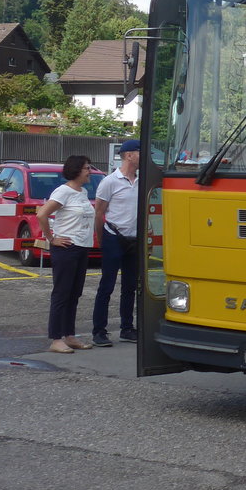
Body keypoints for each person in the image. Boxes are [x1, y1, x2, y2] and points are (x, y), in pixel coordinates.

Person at [36, 155, 97, 354]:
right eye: (87, 168)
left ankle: (69, 335)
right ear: (76, 170)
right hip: (66, 248)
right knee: (61, 294)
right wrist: (51, 238)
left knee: (74, 294)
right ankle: (56, 338)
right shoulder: (63, 191)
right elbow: (42, 214)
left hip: (82, 247)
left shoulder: (83, 191)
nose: (90, 171)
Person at [92, 140, 141, 346]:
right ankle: (99, 331)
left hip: (135, 238)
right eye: (140, 152)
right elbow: (99, 212)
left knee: (130, 286)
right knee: (107, 285)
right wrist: (102, 239)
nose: (143, 156)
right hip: (114, 235)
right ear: (129, 155)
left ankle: (127, 328)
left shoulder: (141, 180)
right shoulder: (110, 181)